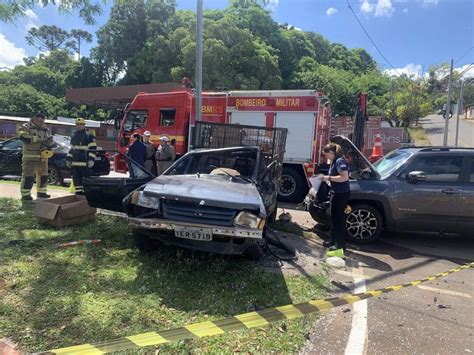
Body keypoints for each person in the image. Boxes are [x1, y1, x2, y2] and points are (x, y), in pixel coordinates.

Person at [321, 142, 350, 256]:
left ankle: (340, 249)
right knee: (333, 219)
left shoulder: (340, 161)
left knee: (338, 221)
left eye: (327, 155)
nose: (326, 157)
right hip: (336, 193)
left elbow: (344, 177)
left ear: (332, 153)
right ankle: (333, 242)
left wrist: (328, 178)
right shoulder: (334, 161)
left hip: (341, 194)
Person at [18, 113, 54, 200]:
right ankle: (25, 194)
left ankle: (41, 192)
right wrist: (38, 139)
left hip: (43, 156)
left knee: (43, 175)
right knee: (28, 176)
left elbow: (49, 141)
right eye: (39, 121)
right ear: (33, 118)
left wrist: (50, 142)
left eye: (43, 121)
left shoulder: (45, 129)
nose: (41, 123)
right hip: (30, 156)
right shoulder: (25, 127)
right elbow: (24, 137)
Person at [67, 118, 97, 195]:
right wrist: (69, 159)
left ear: (84, 125)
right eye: (77, 124)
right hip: (75, 164)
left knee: (85, 180)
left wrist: (91, 159)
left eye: (81, 124)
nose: (79, 126)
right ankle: (78, 195)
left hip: (85, 163)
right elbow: (72, 149)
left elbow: (93, 149)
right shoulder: (74, 135)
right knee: (76, 181)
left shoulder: (89, 136)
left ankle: (86, 196)